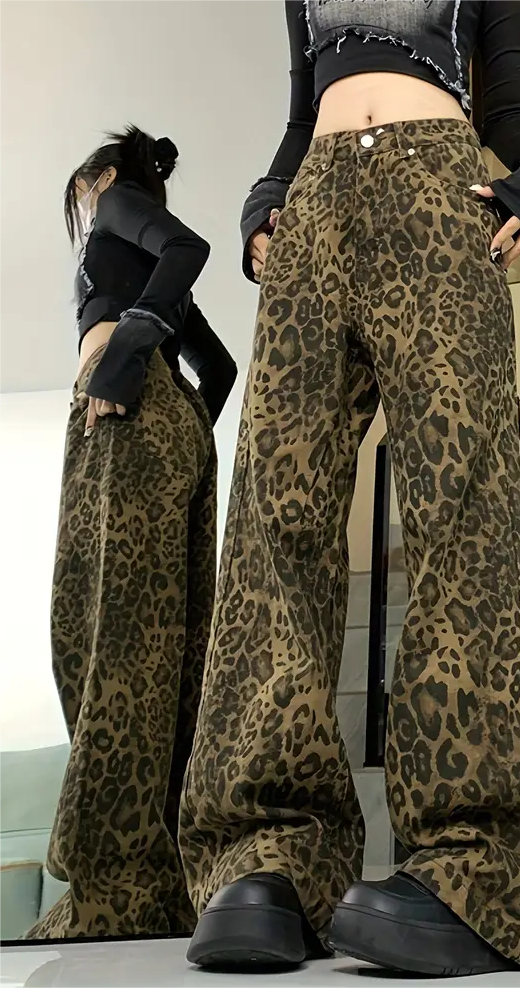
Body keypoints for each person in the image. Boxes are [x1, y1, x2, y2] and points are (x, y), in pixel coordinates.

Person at [180, 0, 520, 976]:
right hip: (314, 208)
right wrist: (265, 198)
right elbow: (299, 112)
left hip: (438, 193)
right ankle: (269, 850)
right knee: (274, 516)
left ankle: (483, 865)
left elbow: (504, 111)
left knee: (459, 510)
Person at [25, 126, 237, 941]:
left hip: (122, 408)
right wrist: (178, 427)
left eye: (82, 193)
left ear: (104, 177)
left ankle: (114, 884)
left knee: (100, 636)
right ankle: (165, 875)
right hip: (167, 420)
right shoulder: (152, 273)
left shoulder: (117, 202)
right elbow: (217, 369)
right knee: (167, 648)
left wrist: (124, 360)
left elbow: (189, 245)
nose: (85, 209)